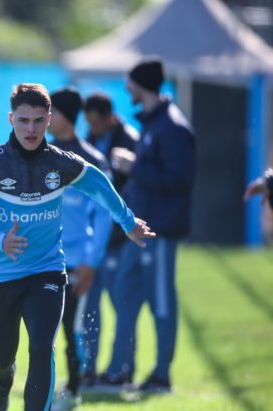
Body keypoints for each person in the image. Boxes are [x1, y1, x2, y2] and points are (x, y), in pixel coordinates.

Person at [0, 83, 154, 411]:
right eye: (23, 121)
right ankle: (1, 377)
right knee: (5, 356)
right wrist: (0, 239)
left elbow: (99, 183)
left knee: (43, 348)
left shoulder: (61, 163)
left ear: (50, 120)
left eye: (38, 121)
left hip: (47, 272)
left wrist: (128, 220)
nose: (31, 129)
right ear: (10, 119)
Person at [100, 58, 195, 393]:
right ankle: (119, 372)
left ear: (141, 84)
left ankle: (161, 375)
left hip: (161, 231)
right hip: (138, 231)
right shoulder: (154, 124)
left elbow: (179, 181)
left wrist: (134, 165)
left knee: (161, 303)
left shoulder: (172, 127)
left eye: (130, 83)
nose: (127, 89)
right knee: (125, 296)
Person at [46, 88, 113, 411]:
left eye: (50, 112)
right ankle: (37, 387)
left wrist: (91, 261)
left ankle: (73, 389)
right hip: (37, 259)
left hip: (73, 261)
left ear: (64, 116)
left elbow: (103, 215)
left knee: (71, 328)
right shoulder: (37, 153)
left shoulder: (91, 159)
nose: (44, 119)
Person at [81, 92, 139, 386]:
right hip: (93, 239)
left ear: (109, 116)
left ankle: (123, 368)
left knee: (122, 306)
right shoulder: (88, 140)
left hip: (119, 239)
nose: (94, 128)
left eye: (97, 122)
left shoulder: (130, 139)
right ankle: (88, 368)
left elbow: (137, 185)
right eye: (89, 122)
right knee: (89, 308)